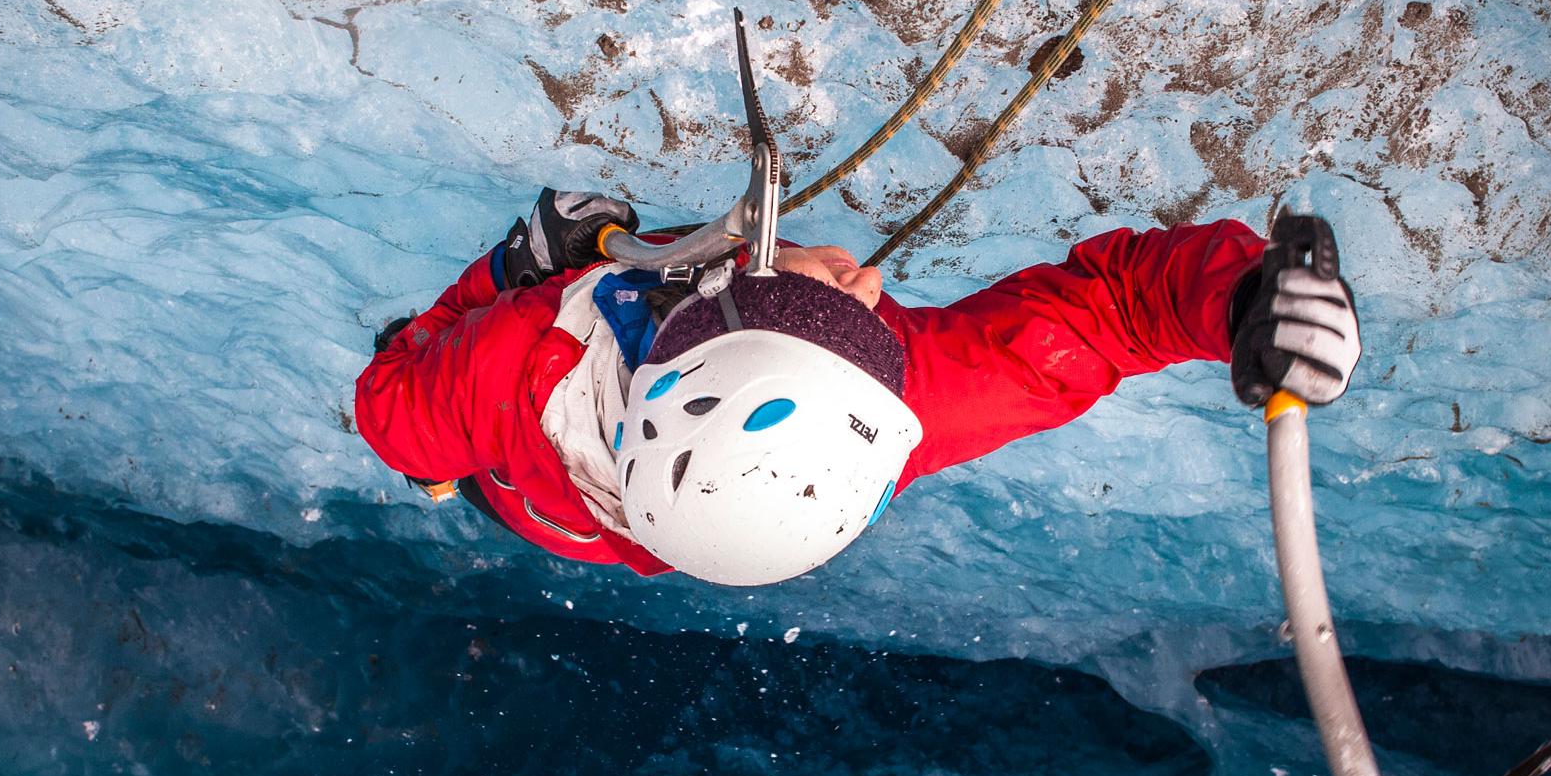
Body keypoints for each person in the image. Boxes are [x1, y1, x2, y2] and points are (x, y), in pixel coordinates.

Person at [356, 190, 1360, 585]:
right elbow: (1107, 319)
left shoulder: (517, 358)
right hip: (628, 499)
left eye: (833, 297)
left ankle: (478, 493)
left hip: (530, 483)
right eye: (854, 313)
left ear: (709, 300)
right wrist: (1242, 300)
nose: (871, 281)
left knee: (454, 463)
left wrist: (510, 270)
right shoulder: (881, 411)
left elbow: (390, 410)